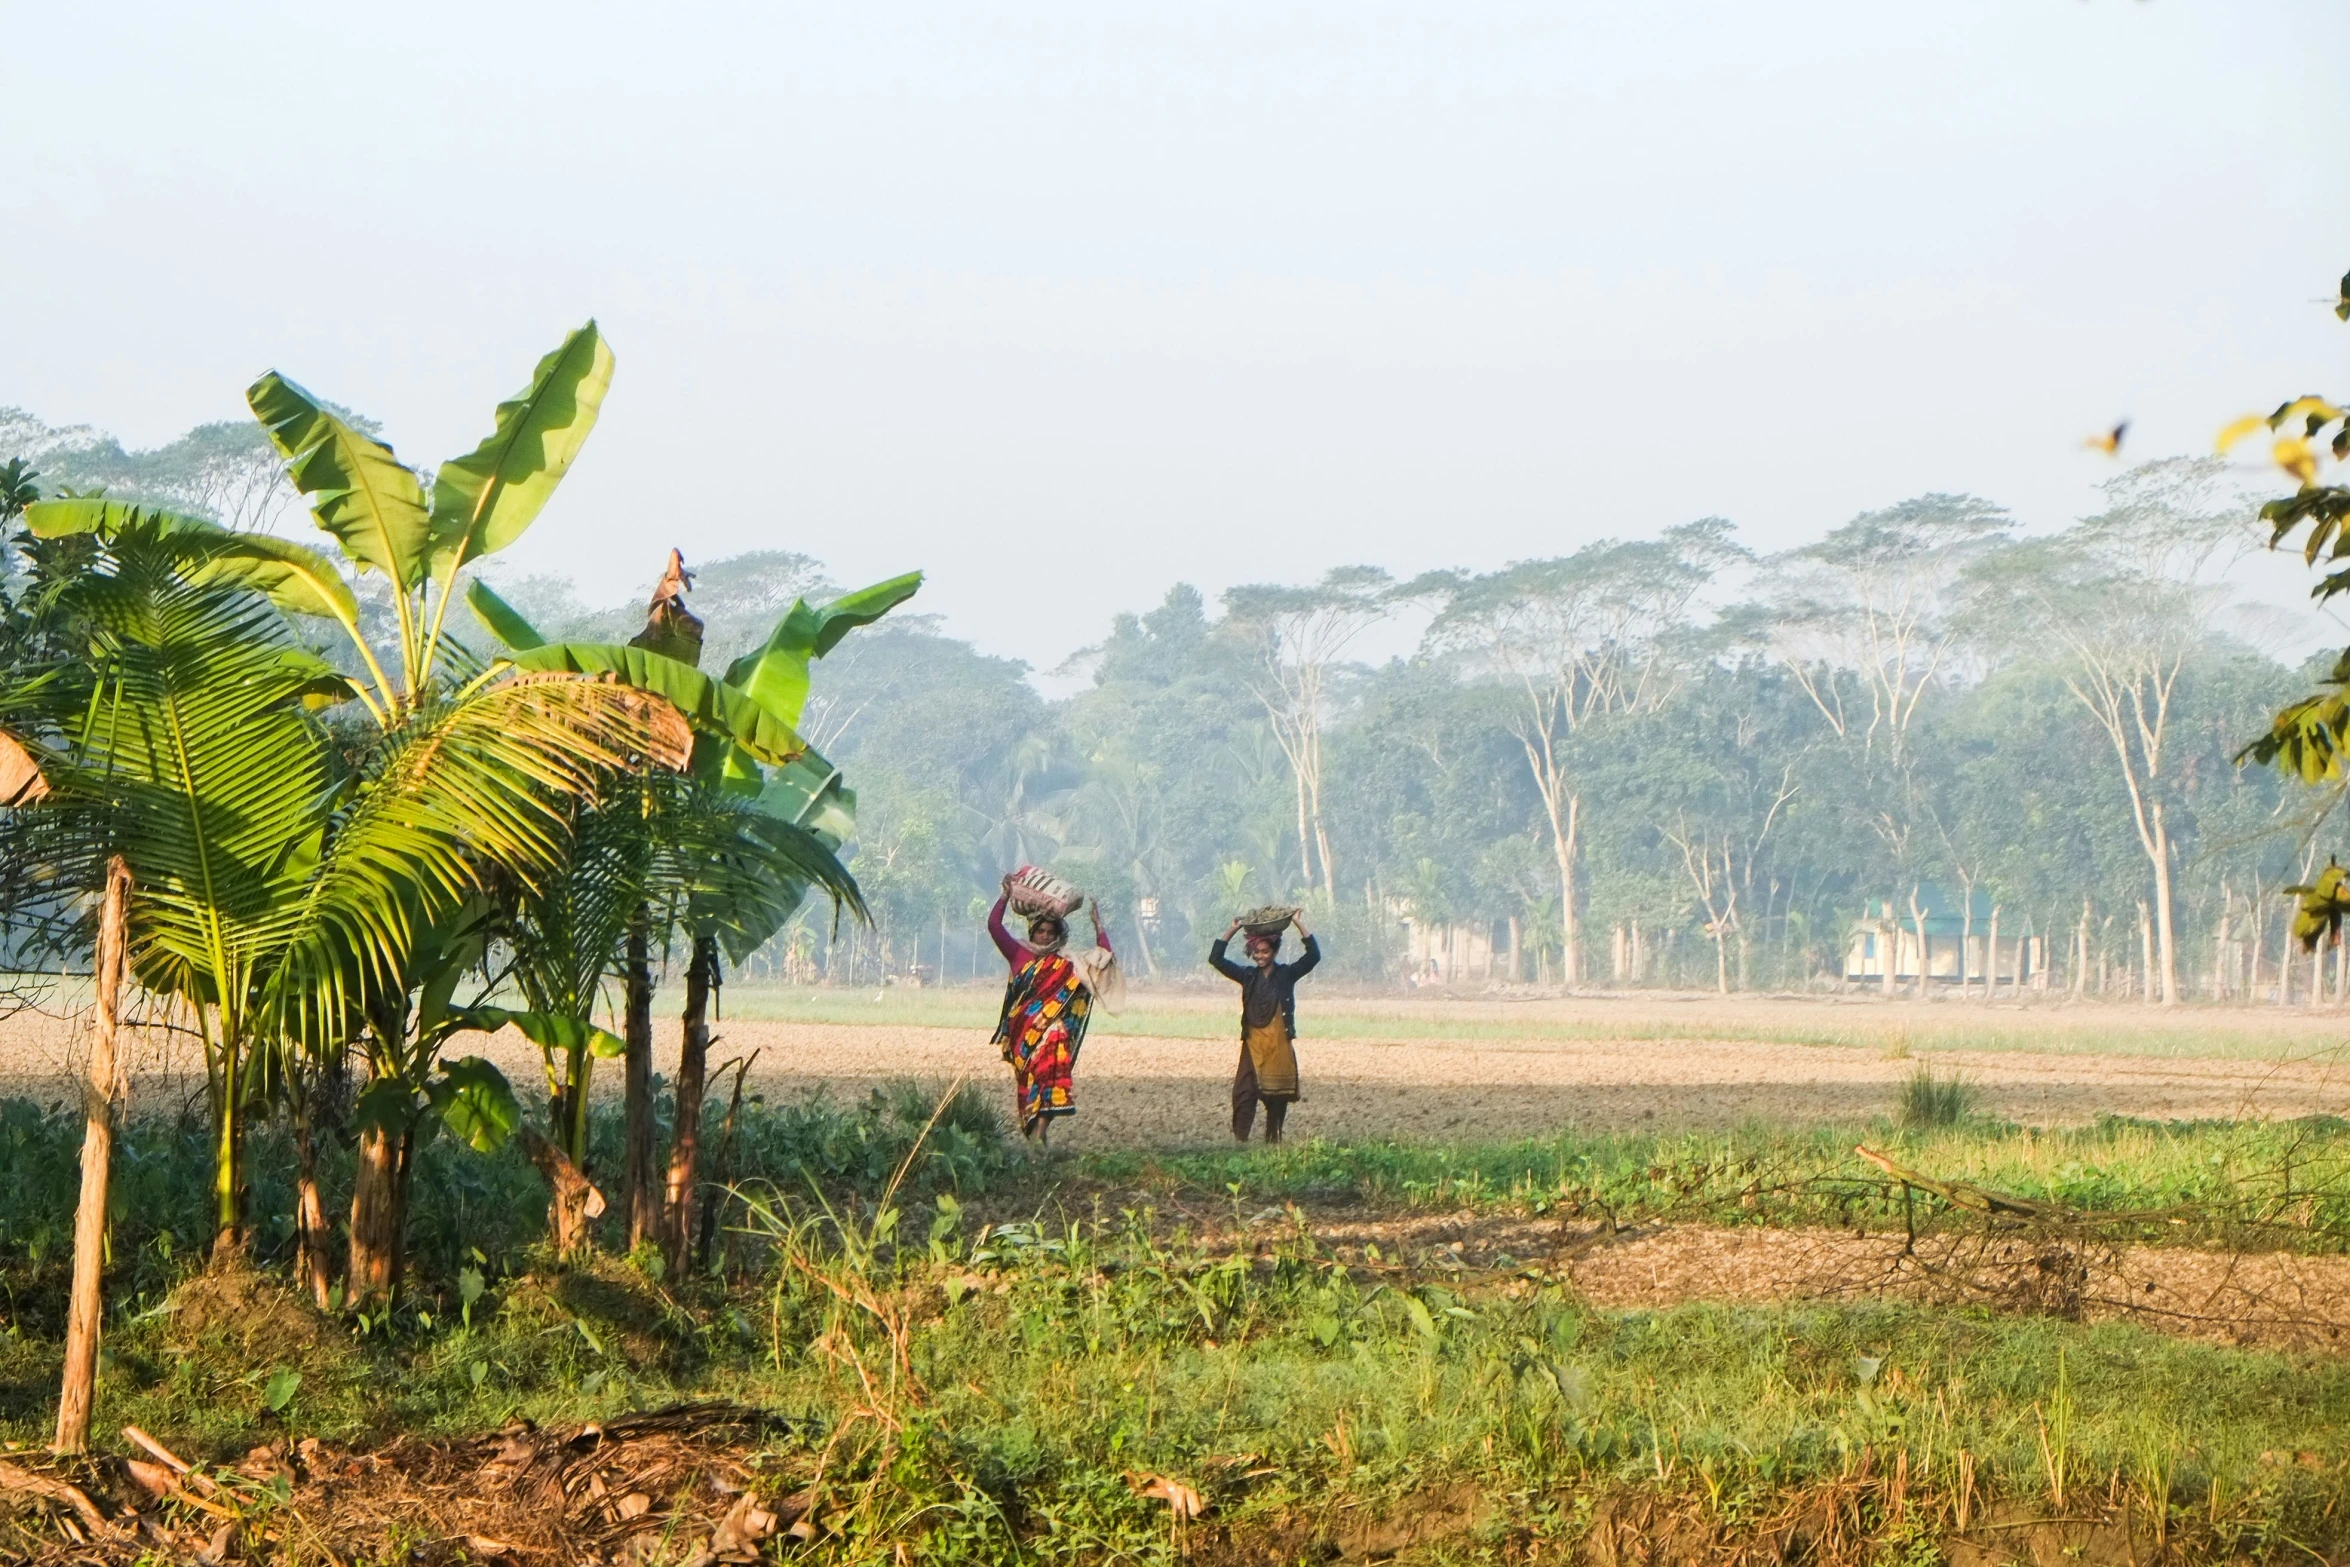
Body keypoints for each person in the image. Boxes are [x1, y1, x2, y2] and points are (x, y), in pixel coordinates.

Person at [986, 877, 1122, 1143]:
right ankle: (1036, 1136)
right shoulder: (1018, 954)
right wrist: (1004, 897)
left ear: (1058, 935)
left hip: (1053, 1032)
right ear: (1032, 932)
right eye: (1041, 931)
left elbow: (1103, 959)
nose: (1046, 936)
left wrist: (1098, 925)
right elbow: (994, 926)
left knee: (1051, 1071)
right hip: (1023, 1036)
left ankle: (1041, 1131)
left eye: (1051, 932)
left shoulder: (1068, 962)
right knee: (1029, 1082)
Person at [1209, 911, 1319, 1144]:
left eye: (1265, 952)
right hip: (1253, 1043)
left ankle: (1273, 1140)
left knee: (1276, 1097)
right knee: (1244, 1091)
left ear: (1275, 952)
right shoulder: (1247, 975)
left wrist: (1299, 922)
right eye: (1257, 952)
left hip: (1279, 1042)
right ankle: (1240, 1140)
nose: (1260, 956)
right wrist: (1233, 929)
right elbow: (1216, 959)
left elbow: (1313, 956)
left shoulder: (1286, 974)